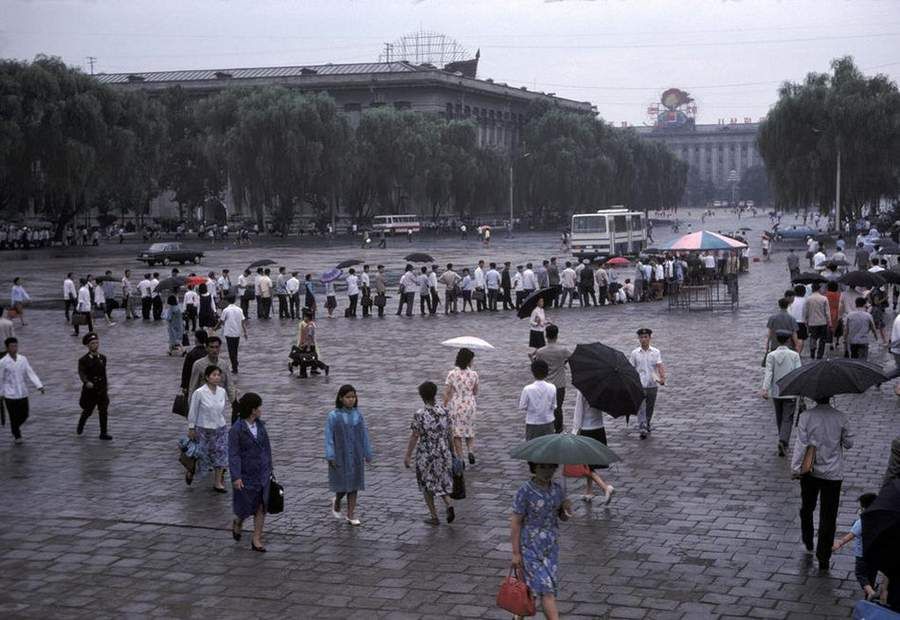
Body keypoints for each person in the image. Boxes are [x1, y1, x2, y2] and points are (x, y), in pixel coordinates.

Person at [791, 395, 853, 571]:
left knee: (807, 507)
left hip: (810, 471)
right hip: (833, 474)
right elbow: (850, 443)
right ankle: (824, 556)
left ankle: (808, 538)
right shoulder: (841, 417)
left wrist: (795, 468)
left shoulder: (806, 417)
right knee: (828, 515)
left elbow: (801, 444)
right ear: (831, 396)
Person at [510, 462, 572, 620]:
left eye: (551, 467)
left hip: (550, 547)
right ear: (534, 468)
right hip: (529, 545)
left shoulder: (558, 490)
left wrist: (567, 509)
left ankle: (518, 616)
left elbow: (562, 517)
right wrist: (516, 553)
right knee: (546, 588)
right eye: (543, 467)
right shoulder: (525, 490)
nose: (547, 471)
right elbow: (516, 521)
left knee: (534, 586)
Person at [404, 381, 458, 526]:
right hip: (443, 450)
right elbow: (450, 434)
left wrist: (408, 455)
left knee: (426, 484)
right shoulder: (444, 411)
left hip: (426, 453)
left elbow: (415, 435)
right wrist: (452, 452)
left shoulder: (420, 414)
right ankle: (448, 503)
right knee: (442, 480)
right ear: (435, 393)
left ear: (422, 396)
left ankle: (434, 516)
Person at [229, 392, 273, 552]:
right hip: (245, 474)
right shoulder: (237, 429)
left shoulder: (261, 426)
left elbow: (267, 448)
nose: (261, 410)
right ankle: (238, 521)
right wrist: (236, 476)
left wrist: (270, 469)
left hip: (262, 473)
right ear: (252, 410)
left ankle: (256, 539)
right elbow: (233, 454)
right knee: (245, 506)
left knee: (261, 506)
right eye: (259, 407)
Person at [325, 384, 373, 526]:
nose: (351, 400)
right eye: (348, 397)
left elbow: (364, 434)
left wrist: (367, 452)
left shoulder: (358, 415)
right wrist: (330, 455)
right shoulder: (333, 416)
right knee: (343, 485)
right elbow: (328, 437)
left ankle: (351, 514)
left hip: (356, 454)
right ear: (341, 398)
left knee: (354, 485)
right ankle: (338, 500)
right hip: (340, 455)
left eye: (353, 397)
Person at [187, 365, 229, 492]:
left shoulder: (222, 391)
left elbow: (222, 409)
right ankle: (191, 470)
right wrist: (191, 428)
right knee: (201, 454)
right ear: (207, 377)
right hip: (203, 428)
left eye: (218, 375)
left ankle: (217, 482)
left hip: (220, 428)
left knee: (221, 453)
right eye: (213, 375)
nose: (217, 377)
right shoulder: (199, 393)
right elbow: (193, 410)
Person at [832, 492, 879, 600]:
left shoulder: (861, 522)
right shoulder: (880, 519)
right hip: (875, 553)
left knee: (860, 574)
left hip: (862, 554)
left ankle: (871, 592)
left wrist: (839, 543)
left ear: (863, 507)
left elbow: (850, 535)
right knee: (871, 574)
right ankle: (869, 594)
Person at [761, 331, 802, 456]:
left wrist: (765, 389)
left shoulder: (771, 355)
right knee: (787, 418)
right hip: (790, 391)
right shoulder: (794, 355)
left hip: (776, 391)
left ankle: (781, 439)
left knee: (779, 417)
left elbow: (769, 373)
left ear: (777, 340)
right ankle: (784, 441)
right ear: (789, 340)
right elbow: (798, 373)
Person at [571, 389, 615, 503]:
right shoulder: (602, 390)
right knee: (589, 463)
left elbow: (578, 412)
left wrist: (575, 431)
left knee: (586, 466)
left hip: (587, 429)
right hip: (599, 428)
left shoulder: (582, 391)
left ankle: (605, 487)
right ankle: (589, 491)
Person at [0, 337, 44, 444]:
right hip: (9, 394)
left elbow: (30, 372)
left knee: (25, 414)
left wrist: (39, 385)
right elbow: (0, 378)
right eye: (12, 346)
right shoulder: (3, 362)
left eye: (16, 345)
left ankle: (15, 427)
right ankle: (17, 434)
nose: (15, 348)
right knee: (13, 415)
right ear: (7, 348)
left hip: (23, 392)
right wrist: (1, 393)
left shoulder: (22, 359)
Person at [532, 324, 571, 434]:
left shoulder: (540, 352)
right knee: (558, 408)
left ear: (546, 336)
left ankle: (548, 429)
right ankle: (559, 430)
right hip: (559, 384)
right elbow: (572, 357)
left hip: (546, 383)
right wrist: (563, 363)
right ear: (557, 336)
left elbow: (537, 366)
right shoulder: (562, 350)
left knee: (546, 408)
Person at [443, 348, 479, 464]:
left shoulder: (452, 374)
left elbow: (447, 392)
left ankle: (461, 458)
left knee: (456, 433)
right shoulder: (474, 374)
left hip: (457, 405)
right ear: (469, 361)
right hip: (470, 405)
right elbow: (475, 392)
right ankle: (470, 451)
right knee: (469, 430)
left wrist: (444, 404)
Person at [629, 328, 666, 440]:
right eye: (641, 337)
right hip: (639, 384)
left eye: (646, 337)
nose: (643, 339)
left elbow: (659, 365)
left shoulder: (656, 352)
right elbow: (631, 368)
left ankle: (647, 422)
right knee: (641, 407)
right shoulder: (635, 353)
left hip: (652, 383)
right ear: (639, 339)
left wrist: (662, 377)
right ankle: (642, 426)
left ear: (650, 338)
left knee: (650, 406)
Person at [76, 332, 112, 440]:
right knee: (88, 410)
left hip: (101, 389)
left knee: (103, 411)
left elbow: (103, 373)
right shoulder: (83, 360)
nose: (95, 345)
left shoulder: (103, 358)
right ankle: (81, 423)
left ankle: (103, 433)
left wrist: (106, 386)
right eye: (92, 343)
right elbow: (81, 373)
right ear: (88, 345)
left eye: (97, 343)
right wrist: (86, 382)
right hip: (90, 391)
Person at [519, 359, 557, 440]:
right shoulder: (552, 387)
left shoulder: (527, 389)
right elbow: (554, 406)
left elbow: (522, 406)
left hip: (533, 422)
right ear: (547, 372)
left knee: (532, 446)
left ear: (533, 372)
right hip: (548, 421)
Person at [291, 309, 329, 377]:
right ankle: (323, 367)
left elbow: (309, 337)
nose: (304, 318)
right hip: (309, 345)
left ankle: (303, 374)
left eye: (305, 317)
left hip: (308, 345)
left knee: (303, 359)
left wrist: (307, 346)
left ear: (308, 317)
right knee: (312, 359)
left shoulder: (310, 326)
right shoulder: (309, 325)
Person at [216, 297, 247, 374]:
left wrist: (215, 328)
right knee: (235, 349)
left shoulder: (226, 310)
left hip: (229, 333)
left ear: (227, 301)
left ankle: (234, 366)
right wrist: (245, 332)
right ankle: (235, 363)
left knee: (231, 350)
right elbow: (243, 321)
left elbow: (221, 321)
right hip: (237, 332)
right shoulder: (239, 310)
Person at [804, 284, 832, 360]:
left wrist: (806, 321)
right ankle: (820, 355)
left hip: (812, 322)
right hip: (823, 322)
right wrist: (830, 323)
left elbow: (806, 312)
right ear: (819, 289)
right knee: (822, 340)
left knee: (813, 338)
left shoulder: (808, 299)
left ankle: (812, 353)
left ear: (812, 289)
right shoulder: (824, 298)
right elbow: (827, 312)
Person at [789, 285, 808, 355]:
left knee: (791, 338)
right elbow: (807, 312)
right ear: (804, 292)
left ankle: (793, 352)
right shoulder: (805, 300)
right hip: (801, 322)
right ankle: (798, 353)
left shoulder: (791, 300)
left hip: (791, 322)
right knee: (800, 338)